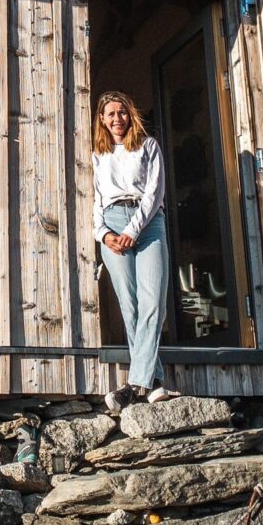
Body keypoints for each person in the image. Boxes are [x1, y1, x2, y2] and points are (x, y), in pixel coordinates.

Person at [93, 90, 176, 412]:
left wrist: (132, 230)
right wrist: (103, 233)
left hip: (149, 224)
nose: (118, 119)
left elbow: (155, 193)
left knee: (153, 302)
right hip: (111, 223)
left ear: (131, 115)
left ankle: (133, 385)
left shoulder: (148, 146)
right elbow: (97, 201)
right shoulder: (98, 154)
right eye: (111, 114)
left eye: (123, 113)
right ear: (102, 118)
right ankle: (153, 383)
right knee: (130, 307)